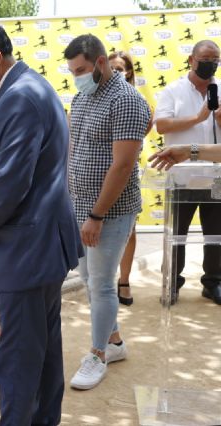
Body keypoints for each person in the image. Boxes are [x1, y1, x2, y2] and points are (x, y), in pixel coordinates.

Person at [0, 20, 82, 424]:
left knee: (20, 365)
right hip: (39, 248)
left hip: (26, 251)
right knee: (40, 357)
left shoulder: (19, 97)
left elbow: (8, 185)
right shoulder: (27, 88)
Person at [65, 35, 151, 390]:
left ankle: (97, 355)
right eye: (72, 71)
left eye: (82, 70)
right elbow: (73, 149)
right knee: (88, 280)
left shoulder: (127, 101)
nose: (77, 77)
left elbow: (123, 165)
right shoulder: (83, 96)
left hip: (109, 213)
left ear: (100, 62)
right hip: (81, 207)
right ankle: (114, 341)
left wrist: (97, 215)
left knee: (101, 285)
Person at [153, 40, 221, 305]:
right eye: (205, 58)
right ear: (192, 59)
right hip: (182, 175)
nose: (210, 64)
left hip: (217, 176)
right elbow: (161, 125)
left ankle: (213, 282)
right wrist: (198, 117)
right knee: (176, 234)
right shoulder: (173, 90)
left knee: (216, 233)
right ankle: (172, 283)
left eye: (215, 59)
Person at [109, 50, 137, 306]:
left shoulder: (136, 101)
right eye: (111, 68)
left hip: (125, 176)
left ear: (128, 71)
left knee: (129, 231)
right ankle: (104, 283)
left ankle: (124, 280)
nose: (115, 72)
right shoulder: (94, 97)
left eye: (119, 68)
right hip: (99, 176)